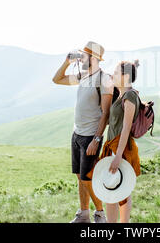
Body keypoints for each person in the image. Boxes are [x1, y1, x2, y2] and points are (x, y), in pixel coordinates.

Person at [52, 41, 113, 223]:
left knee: (87, 177)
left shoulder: (104, 80)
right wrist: (67, 62)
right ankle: (84, 214)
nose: (81, 58)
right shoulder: (84, 76)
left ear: (94, 58)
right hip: (77, 133)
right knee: (80, 176)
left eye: (83, 55)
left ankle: (100, 214)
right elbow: (57, 79)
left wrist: (96, 139)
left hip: (90, 136)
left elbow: (106, 113)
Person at [86, 59, 141, 223]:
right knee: (111, 188)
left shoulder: (130, 96)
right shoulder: (123, 95)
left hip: (121, 148)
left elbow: (126, 128)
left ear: (124, 76)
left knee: (122, 190)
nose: (113, 74)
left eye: (116, 73)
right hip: (113, 146)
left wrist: (118, 156)